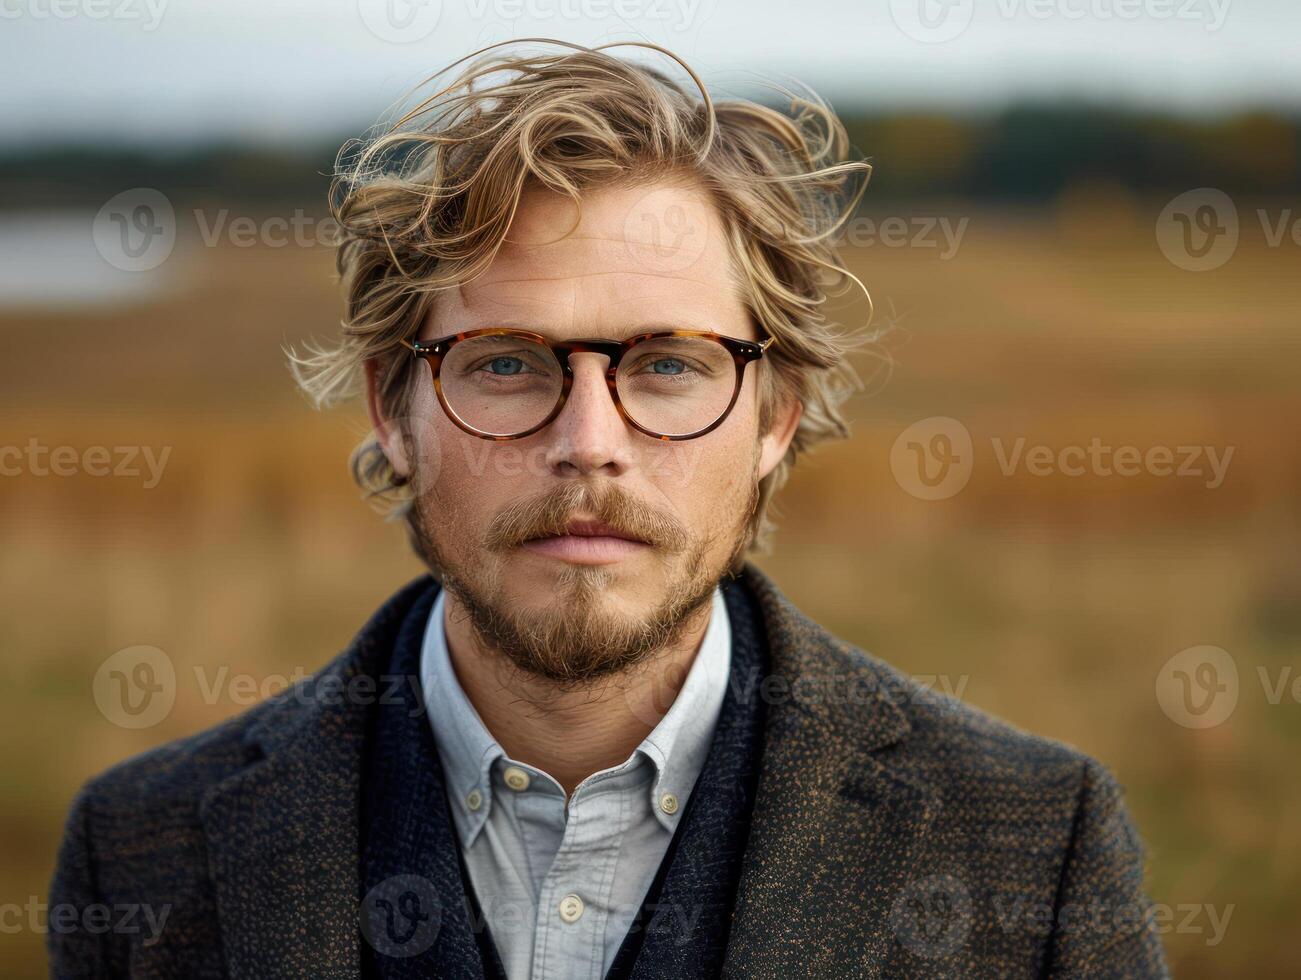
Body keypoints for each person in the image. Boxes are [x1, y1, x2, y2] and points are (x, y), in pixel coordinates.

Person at [49, 40, 1169, 978]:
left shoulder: (1036, 847)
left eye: (670, 365)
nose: (588, 443)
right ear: (393, 408)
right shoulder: (140, 851)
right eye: (503, 365)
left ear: (775, 415)